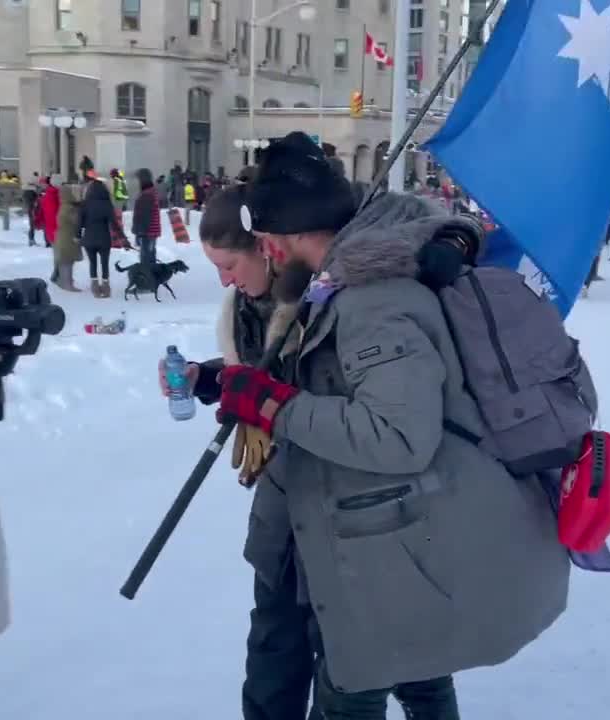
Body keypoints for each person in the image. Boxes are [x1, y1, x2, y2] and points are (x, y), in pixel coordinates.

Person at [221, 132, 568, 718]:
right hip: (389, 538)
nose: (266, 252)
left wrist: (276, 407)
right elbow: (343, 377)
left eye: (264, 239)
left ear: (286, 233)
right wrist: (233, 382)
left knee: (353, 694)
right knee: (423, 679)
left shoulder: (374, 301)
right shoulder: (345, 282)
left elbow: (397, 435)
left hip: (386, 546)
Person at [171, 186, 317, 720]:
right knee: (272, 646)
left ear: (265, 247)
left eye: (229, 264)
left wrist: (267, 399)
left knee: (340, 657)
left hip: (335, 506)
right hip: (281, 502)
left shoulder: (324, 299)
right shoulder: (243, 307)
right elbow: (255, 371)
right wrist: (209, 376)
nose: (224, 280)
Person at [81, 173, 124, 298]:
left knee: (92, 263)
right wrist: (122, 238)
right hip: (104, 238)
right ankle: (106, 287)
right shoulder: (107, 204)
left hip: (89, 238)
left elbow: (80, 222)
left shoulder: (86, 204)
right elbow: (114, 223)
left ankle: (95, 287)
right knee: (104, 263)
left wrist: (78, 235)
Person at [53, 181, 85, 292]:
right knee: (67, 261)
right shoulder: (70, 208)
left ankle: (65, 282)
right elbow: (76, 221)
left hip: (64, 237)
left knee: (65, 261)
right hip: (68, 238)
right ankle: (67, 284)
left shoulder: (64, 205)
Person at [132, 168, 163, 272]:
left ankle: (146, 281)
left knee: (146, 258)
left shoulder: (146, 195)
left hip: (147, 232)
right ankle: (151, 280)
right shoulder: (151, 192)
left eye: (138, 179)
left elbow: (144, 216)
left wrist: (139, 232)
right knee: (150, 256)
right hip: (152, 231)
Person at [37, 174, 62, 249]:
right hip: (60, 230)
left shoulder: (46, 196)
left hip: (50, 230)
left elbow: (41, 212)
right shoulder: (59, 195)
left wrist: (38, 222)